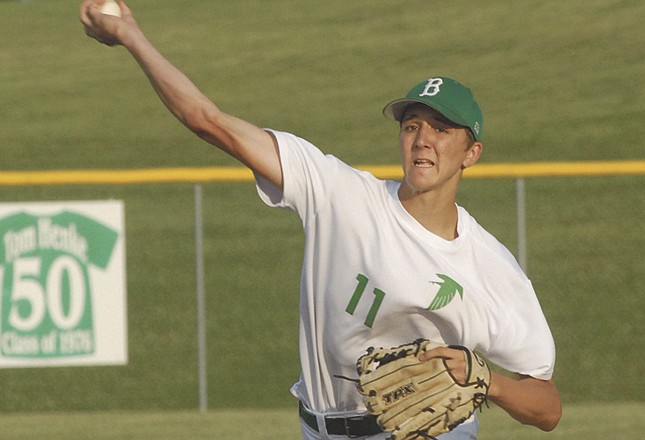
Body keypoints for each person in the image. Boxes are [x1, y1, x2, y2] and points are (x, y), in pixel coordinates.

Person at [80, 1, 562, 438]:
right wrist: (132, 37)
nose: (423, 140)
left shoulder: (490, 267)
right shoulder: (339, 193)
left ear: (471, 152)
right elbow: (210, 121)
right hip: (320, 428)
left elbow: (547, 407)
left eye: (441, 129)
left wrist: (486, 381)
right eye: (412, 125)